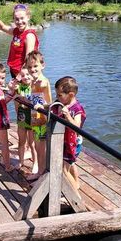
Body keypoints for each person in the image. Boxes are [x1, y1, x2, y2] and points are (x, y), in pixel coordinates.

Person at [0, 2, 39, 78]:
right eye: (17, 19)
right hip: (14, 71)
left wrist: (21, 75)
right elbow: (2, 27)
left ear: (28, 17)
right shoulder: (17, 31)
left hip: (24, 74)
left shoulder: (29, 35)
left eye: (22, 18)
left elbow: (28, 58)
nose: (20, 22)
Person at [52, 76, 86, 191]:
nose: (57, 97)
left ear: (71, 95)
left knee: (63, 169)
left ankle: (74, 195)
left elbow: (77, 126)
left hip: (72, 143)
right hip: (64, 141)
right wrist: (42, 106)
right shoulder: (61, 102)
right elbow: (51, 105)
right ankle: (76, 183)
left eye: (59, 95)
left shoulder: (77, 108)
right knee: (71, 163)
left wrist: (67, 115)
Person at [26, 51, 52, 181]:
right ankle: (40, 173)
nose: (32, 69)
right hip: (35, 119)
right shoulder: (33, 82)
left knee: (42, 149)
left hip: (42, 121)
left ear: (42, 65)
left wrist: (41, 107)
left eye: (35, 66)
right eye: (29, 67)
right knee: (37, 147)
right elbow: (33, 99)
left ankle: (41, 174)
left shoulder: (42, 82)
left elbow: (49, 103)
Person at [8, 67, 38, 172]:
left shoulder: (35, 87)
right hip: (22, 118)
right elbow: (10, 92)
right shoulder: (19, 87)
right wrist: (12, 87)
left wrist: (21, 97)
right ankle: (21, 161)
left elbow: (35, 101)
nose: (26, 77)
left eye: (28, 74)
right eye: (23, 75)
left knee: (32, 143)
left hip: (32, 118)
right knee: (21, 141)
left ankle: (35, 162)